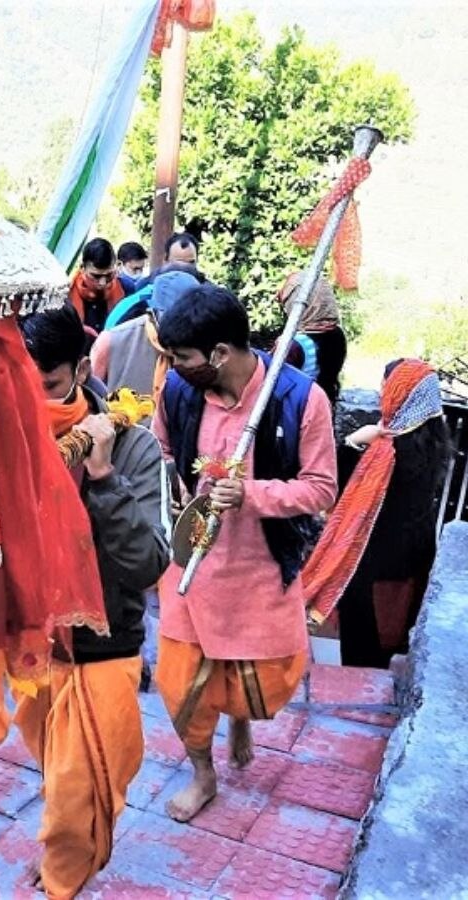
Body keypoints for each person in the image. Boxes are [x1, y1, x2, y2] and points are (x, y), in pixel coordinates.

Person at [0, 305, 170, 897]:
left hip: (101, 646)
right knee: (52, 764)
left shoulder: (133, 448)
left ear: (82, 368)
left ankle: (64, 881)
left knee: (75, 799)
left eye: (50, 387)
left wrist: (103, 479)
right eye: (21, 389)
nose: (36, 404)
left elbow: (147, 564)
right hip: (28, 645)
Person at [152, 285, 337, 823]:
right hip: (193, 566)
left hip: (258, 569)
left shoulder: (301, 400)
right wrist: (173, 507)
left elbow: (322, 489)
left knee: (263, 680)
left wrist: (252, 494)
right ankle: (203, 775)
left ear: (219, 355)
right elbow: (163, 451)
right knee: (178, 682)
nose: (172, 368)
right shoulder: (179, 394)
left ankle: (237, 716)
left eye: (180, 358)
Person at [304, 359, 452, 668]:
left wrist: (354, 440)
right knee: (388, 643)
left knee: (361, 653)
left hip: (370, 565)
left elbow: (335, 485)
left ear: (400, 393)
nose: (382, 392)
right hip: (412, 561)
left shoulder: (387, 450)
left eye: (386, 386)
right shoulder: (435, 440)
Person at [91, 269, 200, 406]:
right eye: (172, 319)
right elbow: (89, 403)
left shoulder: (208, 349)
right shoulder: (111, 341)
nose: (179, 329)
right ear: (152, 312)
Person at [273, 271, 348, 406]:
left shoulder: (293, 345)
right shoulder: (337, 334)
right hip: (323, 406)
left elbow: (273, 384)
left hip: (296, 413)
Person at [70, 237, 127, 332]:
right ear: (82, 268)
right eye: (96, 276)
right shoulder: (66, 293)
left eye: (109, 275)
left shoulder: (126, 288)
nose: (103, 283)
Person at [133, 232, 201, 292]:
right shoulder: (144, 288)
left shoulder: (206, 291)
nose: (185, 269)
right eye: (178, 264)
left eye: (190, 263)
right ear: (166, 260)